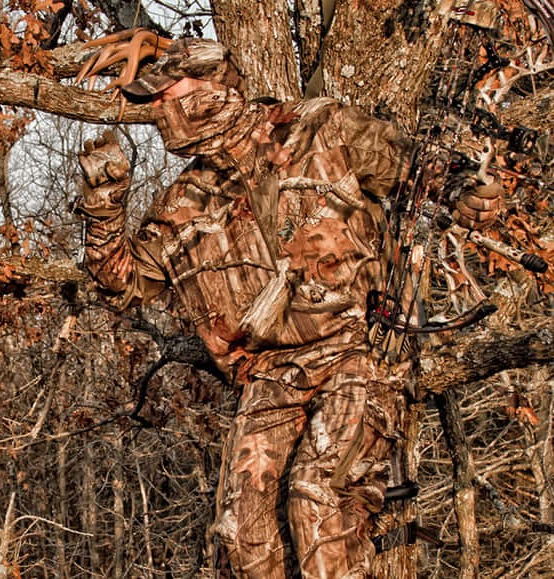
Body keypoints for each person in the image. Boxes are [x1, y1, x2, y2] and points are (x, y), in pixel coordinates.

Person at [74, 37, 503, 578]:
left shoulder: (318, 129)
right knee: (244, 533)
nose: (157, 110)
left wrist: (465, 186)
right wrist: (103, 206)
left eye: (165, 93)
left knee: (317, 493)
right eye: (152, 101)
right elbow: (121, 283)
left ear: (210, 86)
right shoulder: (182, 203)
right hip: (270, 379)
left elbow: (416, 170)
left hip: (356, 355)